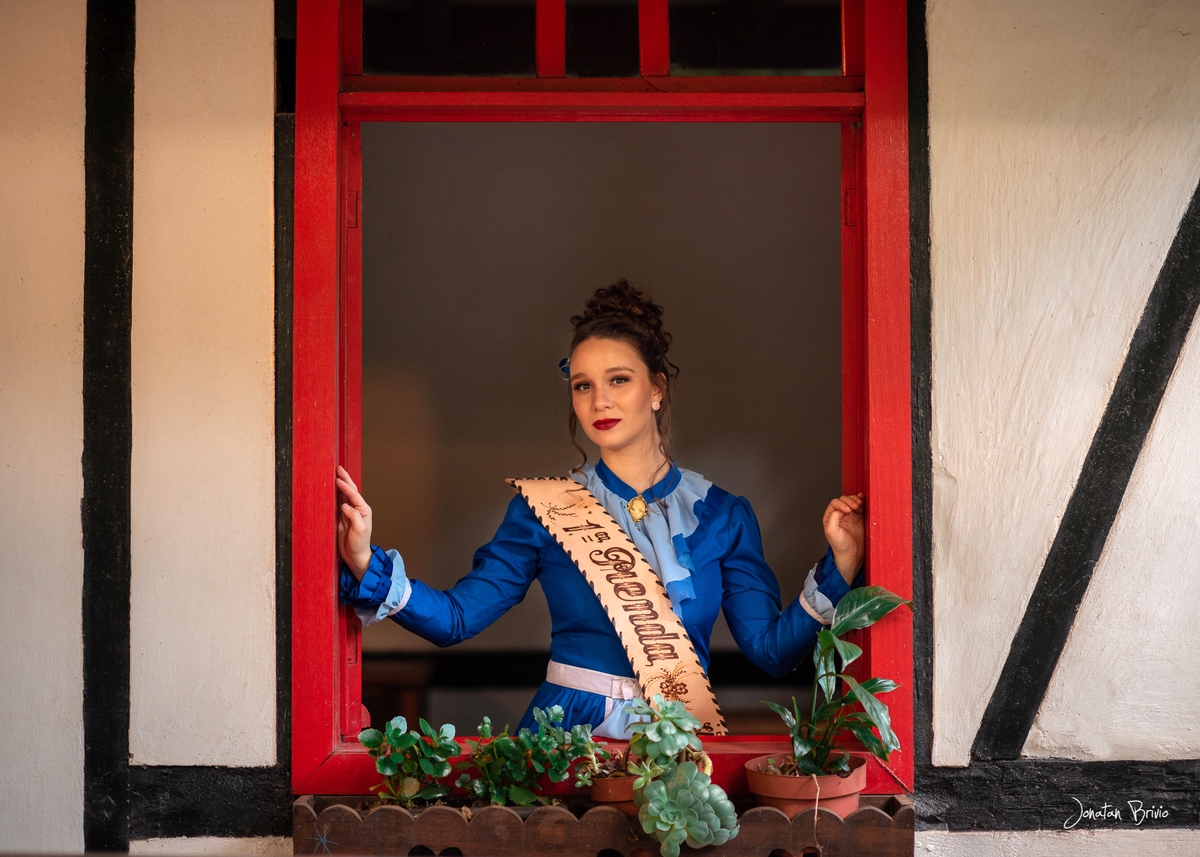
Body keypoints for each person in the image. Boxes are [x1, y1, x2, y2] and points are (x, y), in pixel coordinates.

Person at [337, 281, 865, 738]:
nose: (599, 401)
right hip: (566, 735)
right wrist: (365, 562)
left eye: (619, 380)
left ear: (656, 389)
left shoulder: (723, 516)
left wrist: (841, 565)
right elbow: (457, 618)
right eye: (583, 386)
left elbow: (773, 651)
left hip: (674, 742)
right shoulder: (542, 509)